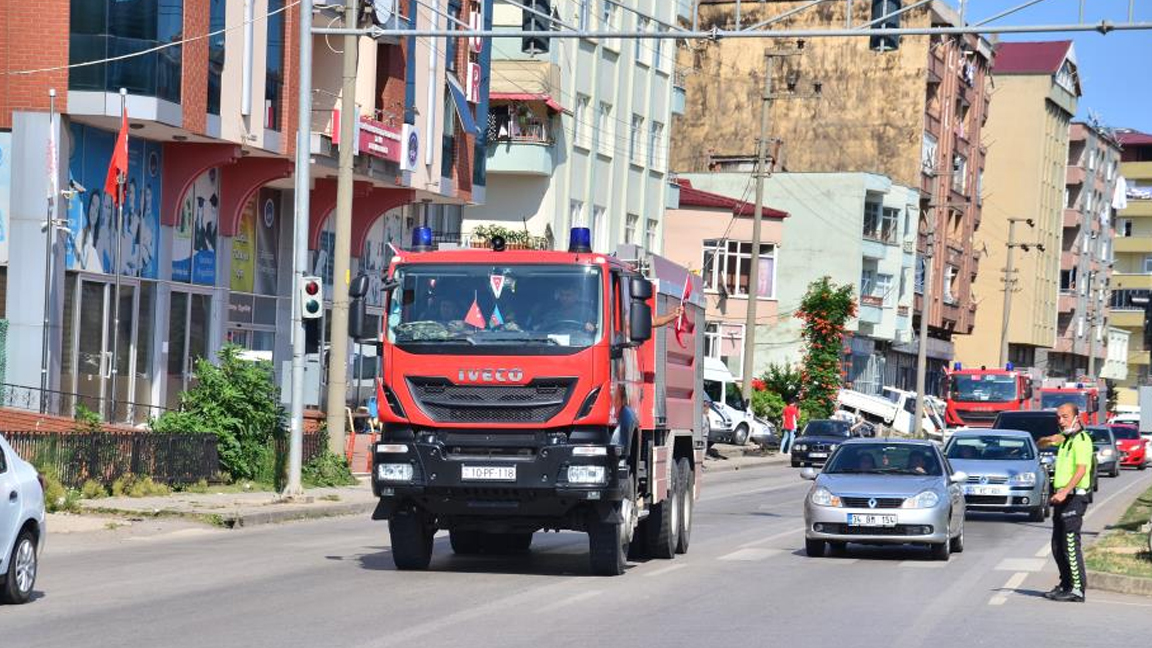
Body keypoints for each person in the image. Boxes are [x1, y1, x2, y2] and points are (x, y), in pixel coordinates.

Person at [1037, 402, 1093, 603]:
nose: (1061, 420)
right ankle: (1066, 583)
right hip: (1062, 498)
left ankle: (1077, 589)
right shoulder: (1067, 439)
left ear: (1077, 418)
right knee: (1057, 545)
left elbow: (1081, 470)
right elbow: (1051, 440)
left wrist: (1065, 491)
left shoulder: (1082, 440)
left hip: (1074, 497)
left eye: (1065, 416)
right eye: (1058, 417)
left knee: (1070, 543)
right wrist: (1046, 440)